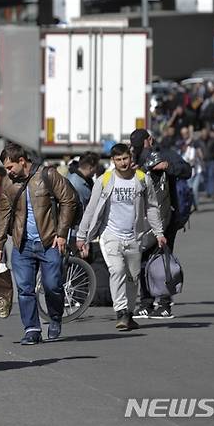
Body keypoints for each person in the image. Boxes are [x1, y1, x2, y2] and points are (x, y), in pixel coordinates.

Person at [76, 144, 166, 331]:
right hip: (110, 235)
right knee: (117, 270)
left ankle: (129, 313)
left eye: (125, 158)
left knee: (133, 277)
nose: (123, 163)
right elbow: (91, 210)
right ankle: (120, 312)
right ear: (113, 161)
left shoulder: (142, 179)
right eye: (118, 160)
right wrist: (81, 235)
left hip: (134, 236)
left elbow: (151, 207)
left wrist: (159, 232)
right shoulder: (105, 180)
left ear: (130, 158)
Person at [0, 143, 78, 344]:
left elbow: (68, 200)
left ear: (22, 162)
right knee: (24, 289)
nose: (8, 172)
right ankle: (32, 329)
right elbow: (4, 215)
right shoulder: (9, 183)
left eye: (10, 167)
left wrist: (62, 233)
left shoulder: (47, 175)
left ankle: (55, 317)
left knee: (52, 286)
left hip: (49, 242)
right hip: (22, 245)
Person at [129, 128, 191, 319]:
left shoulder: (165, 154)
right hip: (144, 219)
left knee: (162, 259)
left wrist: (167, 166)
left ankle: (164, 304)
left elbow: (187, 170)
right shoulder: (134, 159)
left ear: (150, 140)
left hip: (168, 216)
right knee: (144, 260)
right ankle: (147, 303)